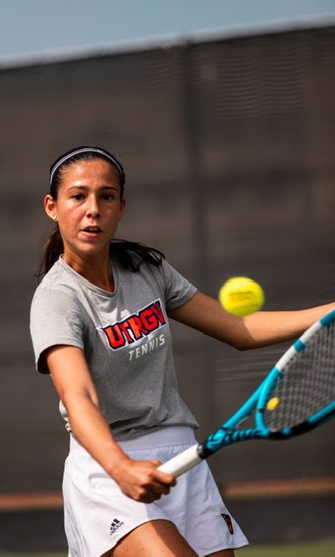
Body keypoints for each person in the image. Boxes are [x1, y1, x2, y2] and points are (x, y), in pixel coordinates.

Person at [29, 146, 334, 557]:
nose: (93, 209)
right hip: (109, 467)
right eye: (78, 196)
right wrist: (121, 468)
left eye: (106, 196)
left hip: (182, 456)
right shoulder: (57, 298)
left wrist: (330, 312)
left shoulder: (146, 269)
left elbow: (238, 328)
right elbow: (77, 395)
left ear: (122, 206)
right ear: (52, 206)